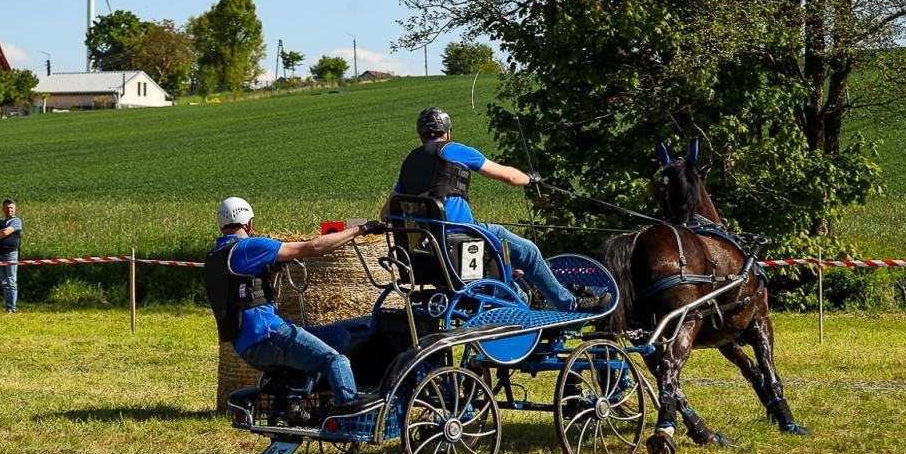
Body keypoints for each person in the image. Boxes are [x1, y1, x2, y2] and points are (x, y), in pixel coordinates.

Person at [386, 106, 608, 312]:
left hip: (427, 250)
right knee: (529, 252)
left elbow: (386, 212)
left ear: (421, 135)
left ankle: (524, 297)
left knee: (505, 258)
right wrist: (530, 179)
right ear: (448, 132)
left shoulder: (410, 162)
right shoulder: (454, 150)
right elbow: (509, 176)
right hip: (462, 238)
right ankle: (570, 303)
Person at [206, 196, 384, 414]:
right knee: (336, 360)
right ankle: (350, 411)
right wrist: (360, 229)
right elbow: (313, 247)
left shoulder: (217, 255)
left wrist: (273, 272)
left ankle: (287, 394)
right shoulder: (249, 247)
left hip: (247, 345)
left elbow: (253, 295)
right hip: (268, 335)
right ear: (248, 223)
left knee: (339, 337)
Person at [0, 197, 22, 314]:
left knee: (11, 282)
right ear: (3, 209)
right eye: (7, 208)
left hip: (11, 254)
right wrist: (0, 233)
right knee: (4, 282)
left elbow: (6, 232)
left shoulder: (16, 221)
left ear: (15, 209)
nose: (9, 210)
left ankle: (11, 308)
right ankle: (7, 305)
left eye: (11, 208)